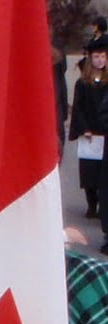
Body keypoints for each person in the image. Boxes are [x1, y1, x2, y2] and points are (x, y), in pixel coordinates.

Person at [69, 39, 108, 220]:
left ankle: (103, 205)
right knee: (89, 171)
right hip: (90, 132)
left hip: (105, 132)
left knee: (103, 172)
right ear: (90, 59)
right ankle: (92, 204)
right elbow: (78, 108)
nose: (100, 60)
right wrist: (84, 128)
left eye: (103, 57)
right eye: (97, 57)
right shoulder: (83, 83)